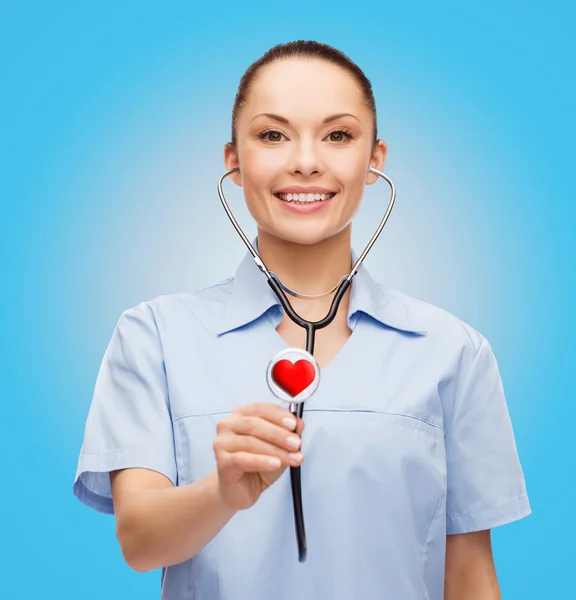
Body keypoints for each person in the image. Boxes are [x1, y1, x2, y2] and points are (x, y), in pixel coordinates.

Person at [73, 40, 531, 600]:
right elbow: (140, 542)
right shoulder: (155, 335)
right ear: (234, 162)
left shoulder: (453, 350)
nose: (306, 160)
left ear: (375, 160)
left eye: (338, 135)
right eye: (273, 135)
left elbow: (470, 576)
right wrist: (222, 492)